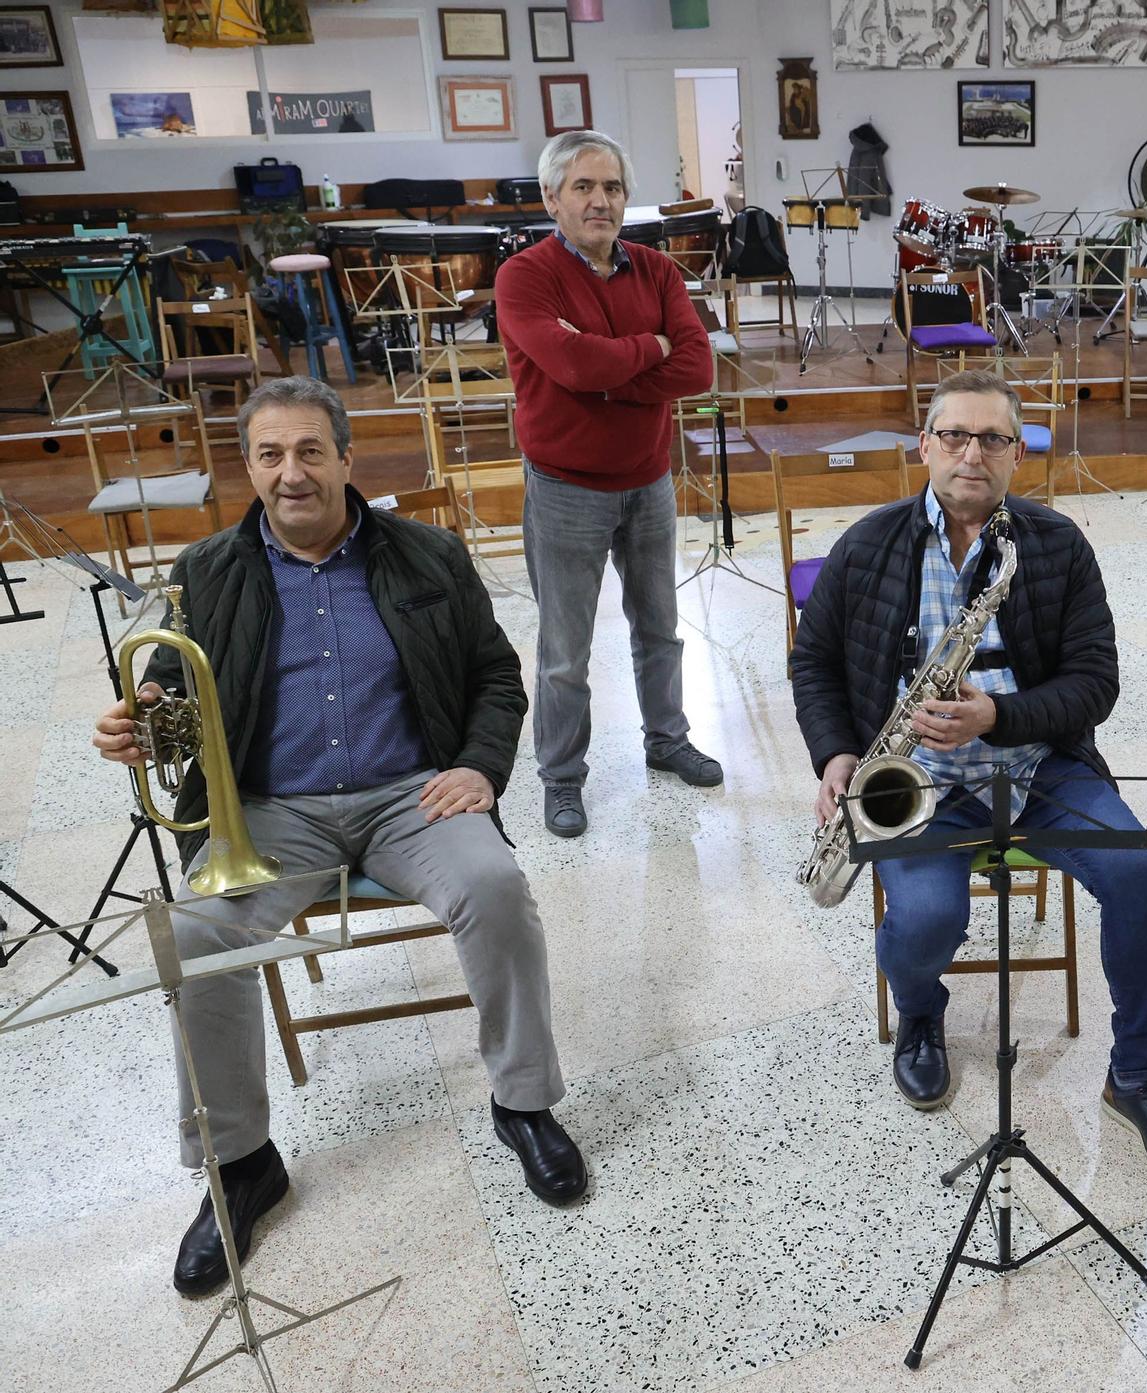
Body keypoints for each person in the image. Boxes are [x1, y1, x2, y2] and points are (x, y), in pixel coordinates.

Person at [90, 377, 585, 1299]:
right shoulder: (206, 573)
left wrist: (481, 764)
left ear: (348, 458)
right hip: (271, 810)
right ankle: (239, 1165)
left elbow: (496, 677)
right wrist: (141, 719)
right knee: (195, 934)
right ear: (248, 467)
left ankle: (524, 1103)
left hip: (412, 793)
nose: (291, 473)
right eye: (270, 455)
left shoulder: (429, 554)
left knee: (498, 890)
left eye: (310, 450)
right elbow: (169, 692)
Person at [789, 370, 1147, 1184]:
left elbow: (1097, 681)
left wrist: (999, 717)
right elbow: (812, 662)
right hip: (914, 780)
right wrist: (837, 753)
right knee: (925, 923)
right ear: (925, 446)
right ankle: (921, 1011)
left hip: (1039, 766)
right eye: (954, 435)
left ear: (1018, 453)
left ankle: (1136, 1077)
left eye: (992, 438)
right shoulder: (869, 544)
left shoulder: (1054, 545)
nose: (971, 453)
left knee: (1138, 873)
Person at [495, 128, 719, 840]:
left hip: (650, 478)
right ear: (551, 199)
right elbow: (571, 366)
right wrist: (643, 354)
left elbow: (696, 369)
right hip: (565, 487)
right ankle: (562, 779)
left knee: (661, 626)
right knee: (565, 651)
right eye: (584, 187)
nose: (601, 201)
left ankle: (667, 739)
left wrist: (605, 370)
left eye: (613, 187)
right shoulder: (525, 277)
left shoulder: (655, 269)